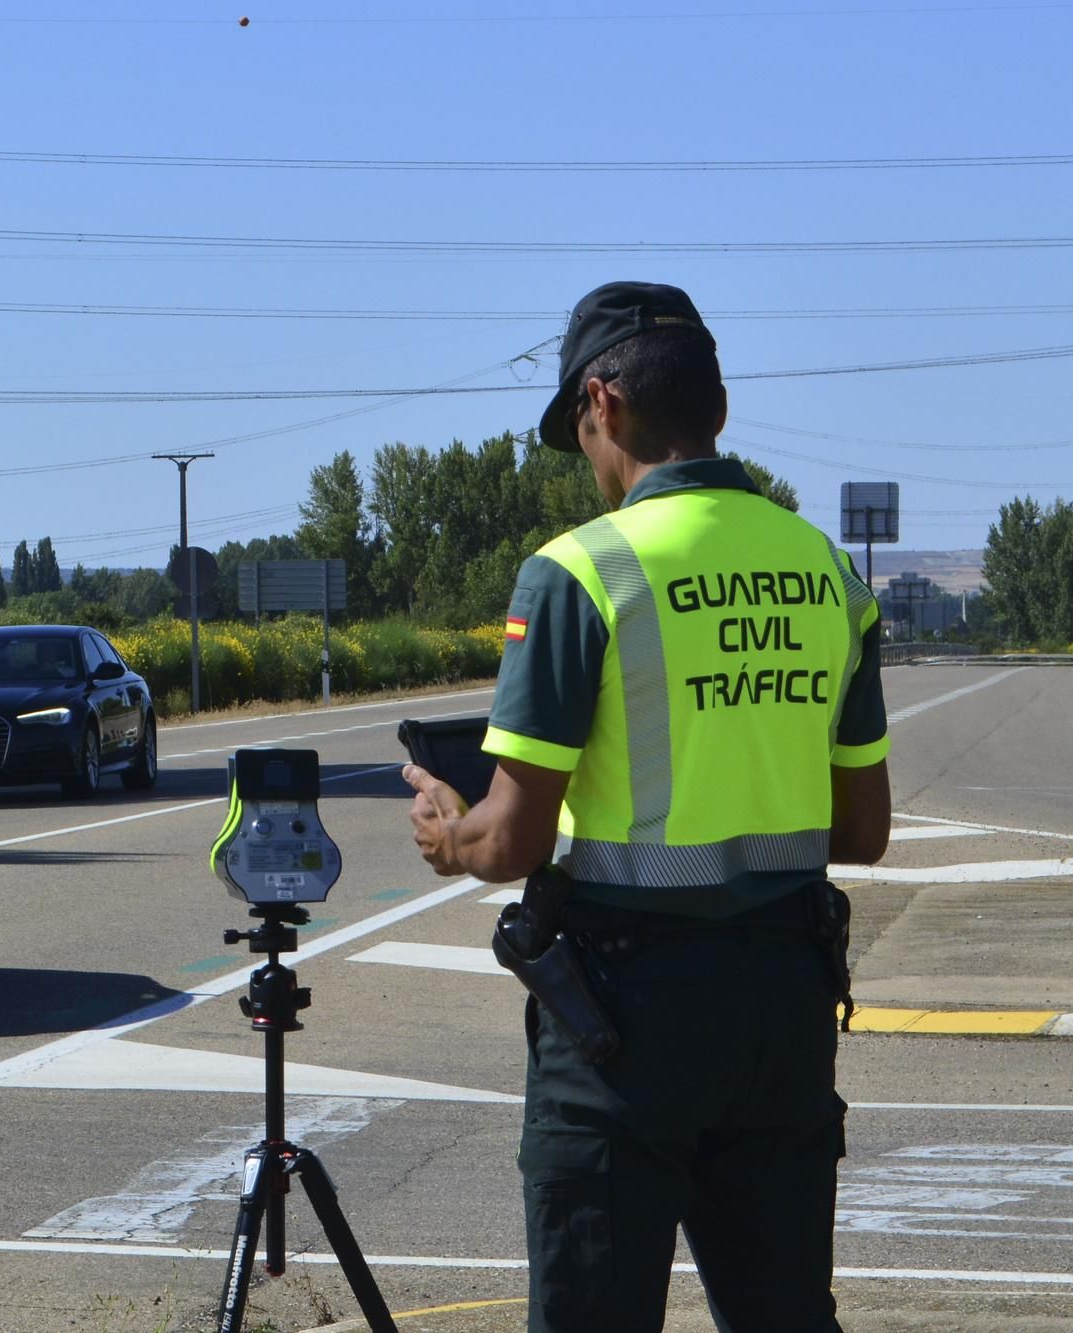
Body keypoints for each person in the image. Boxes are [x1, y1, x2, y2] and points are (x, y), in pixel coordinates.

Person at [404, 281, 891, 1333]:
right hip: (783, 1009)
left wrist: (451, 829)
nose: (588, 456)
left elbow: (511, 837)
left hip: (622, 1021)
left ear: (602, 404)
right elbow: (862, 830)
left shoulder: (578, 572)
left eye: (579, 431)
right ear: (713, 409)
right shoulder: (824, 572)